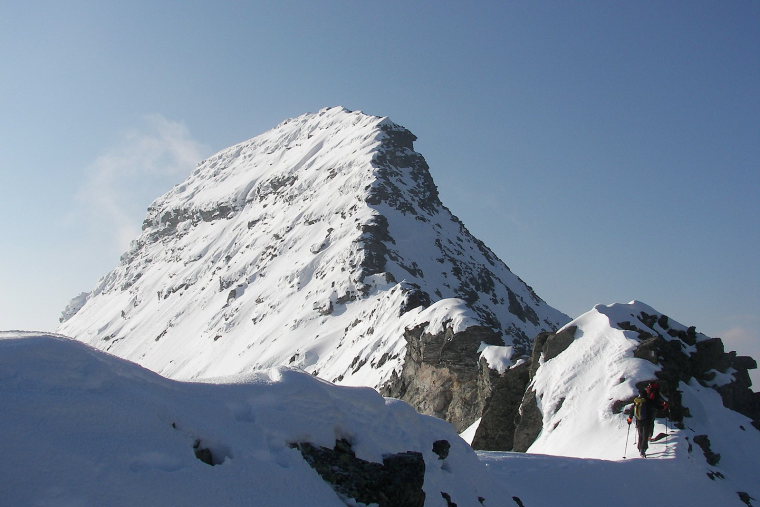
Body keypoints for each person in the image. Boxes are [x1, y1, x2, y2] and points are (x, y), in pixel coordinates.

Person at [626, 382, 669, 457]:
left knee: (640, 435)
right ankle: (643, 450)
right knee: (645, 435)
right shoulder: (648, 401)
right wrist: (664, 406)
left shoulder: (637, 401)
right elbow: (658, 407)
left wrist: (630, 418)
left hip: (638, 421)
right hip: (647, 421)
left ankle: (640, 448)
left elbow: (632, 410)